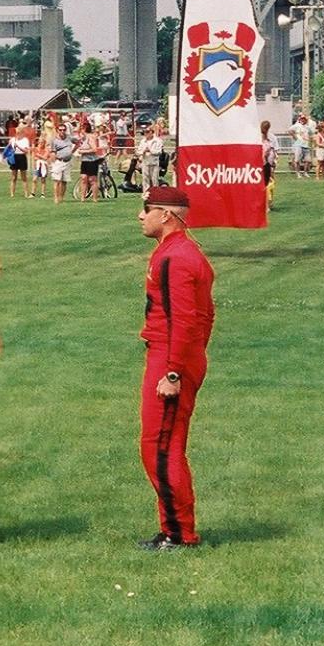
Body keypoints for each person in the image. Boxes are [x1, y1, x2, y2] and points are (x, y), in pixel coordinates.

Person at [135, 186, 215, 549]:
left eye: (146, 208)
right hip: (176, 353)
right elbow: (205, 316)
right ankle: (171, 528)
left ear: (166, 215)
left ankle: (180, 533)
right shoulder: (175, 251)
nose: (140, 215)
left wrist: (174, 372)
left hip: (171, 357)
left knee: (161, 446)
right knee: (160, 445)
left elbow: (184, 319)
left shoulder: (176, 258)